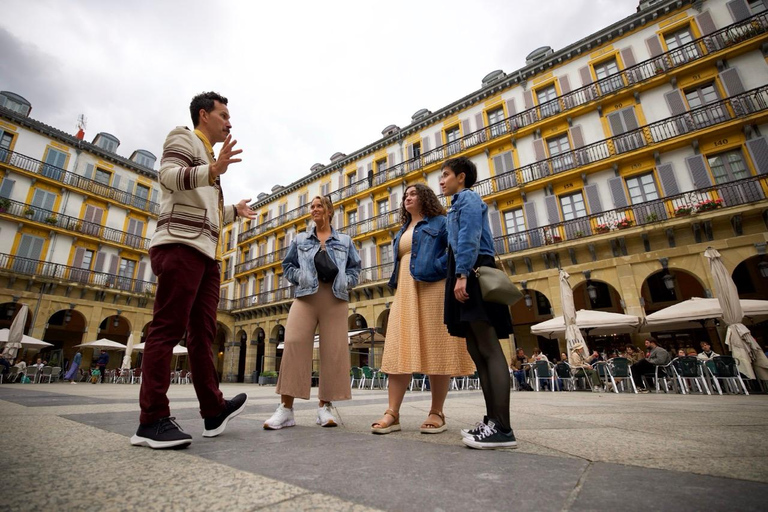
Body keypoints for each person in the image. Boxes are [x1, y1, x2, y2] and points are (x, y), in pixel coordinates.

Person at [131, 92, 255, 450]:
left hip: (205, 254)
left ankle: (213, 410)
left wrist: (232, 210)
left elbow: (203, 207)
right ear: (204, 115)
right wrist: (212, 171)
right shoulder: (182, 137)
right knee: (166, 329)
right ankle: (151, 419)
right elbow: (169, 177)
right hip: (180, 246)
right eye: (224, 115)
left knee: (202, 335)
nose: (229, 123)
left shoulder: (210, 158)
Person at [370, 184, 474, 435]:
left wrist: (440, 268)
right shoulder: (403, 229)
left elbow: (455, 247)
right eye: (405, 195)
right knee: (398, 347)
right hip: (405, 290)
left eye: (413, 193)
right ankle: (392, 413)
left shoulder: (440, 222)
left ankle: (436, 412)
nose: (407, 197)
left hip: (433, 288)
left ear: (425, 198)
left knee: (437, 348)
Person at [264, 195, 361, 430]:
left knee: (333, 351)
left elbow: (355, 268)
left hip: (335, 299)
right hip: (305, 297)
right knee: (294, 343)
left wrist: (345, 280)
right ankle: (286, 409)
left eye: (319, 206)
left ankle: (325, 407)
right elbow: (287, 266)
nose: (314, 209)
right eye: (313, 206)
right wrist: (301, 277)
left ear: (329, 211)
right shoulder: (300, 239)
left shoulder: (345, 240)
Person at [439, 157, 517, 450]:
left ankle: (503, 428)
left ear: (461, 177)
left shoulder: (468, 199)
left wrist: (461, 274)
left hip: (472, 270)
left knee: (488, 348)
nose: (442, 181)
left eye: (446, 175)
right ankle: (492, 421)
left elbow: (470, 237)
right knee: (476, 349)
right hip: (462, 269)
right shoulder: (454, 206)